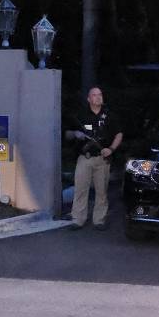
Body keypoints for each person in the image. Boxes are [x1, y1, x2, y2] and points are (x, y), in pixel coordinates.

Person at [67, 87, 123, 230]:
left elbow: (119, 134)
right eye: (94, 95)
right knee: (80, 190)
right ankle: (78, 220)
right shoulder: (80, 115)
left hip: (102, 159)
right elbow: (67, 134)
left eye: (100, 94)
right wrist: (75, 134)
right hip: (84, 158)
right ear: (88, 99)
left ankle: (99, 220)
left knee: (101, 191)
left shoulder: (109, 115)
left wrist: (110, 149)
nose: (98, 97)